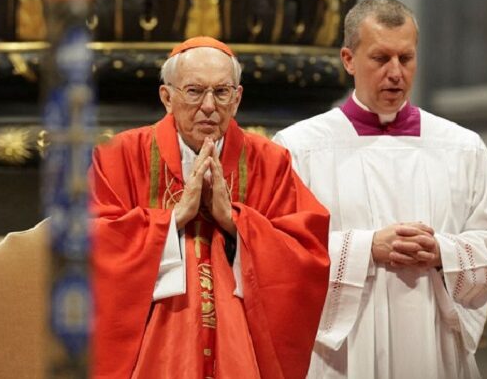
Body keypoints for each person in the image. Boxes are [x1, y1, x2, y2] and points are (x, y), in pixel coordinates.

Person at [273, 0, 487, 379]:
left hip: (433, 343)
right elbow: (280, 250)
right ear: (349, 59)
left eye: (406, 58)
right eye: (381, 58)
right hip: (345, 353)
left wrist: (441, 252)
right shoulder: (299, 148)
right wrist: (368, 248)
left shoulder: (462, 148)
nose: (396, 73)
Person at [89, 36, 331, 379]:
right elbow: (89, 243)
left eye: (221, 92)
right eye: (193, 91)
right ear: (166, 98)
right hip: (156, 348)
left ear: (237, 99)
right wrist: (173, 219)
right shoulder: (119, 156)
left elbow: (306, 253)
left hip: (240, 347)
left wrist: (235, 222)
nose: (208, 106)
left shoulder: (269, 162)